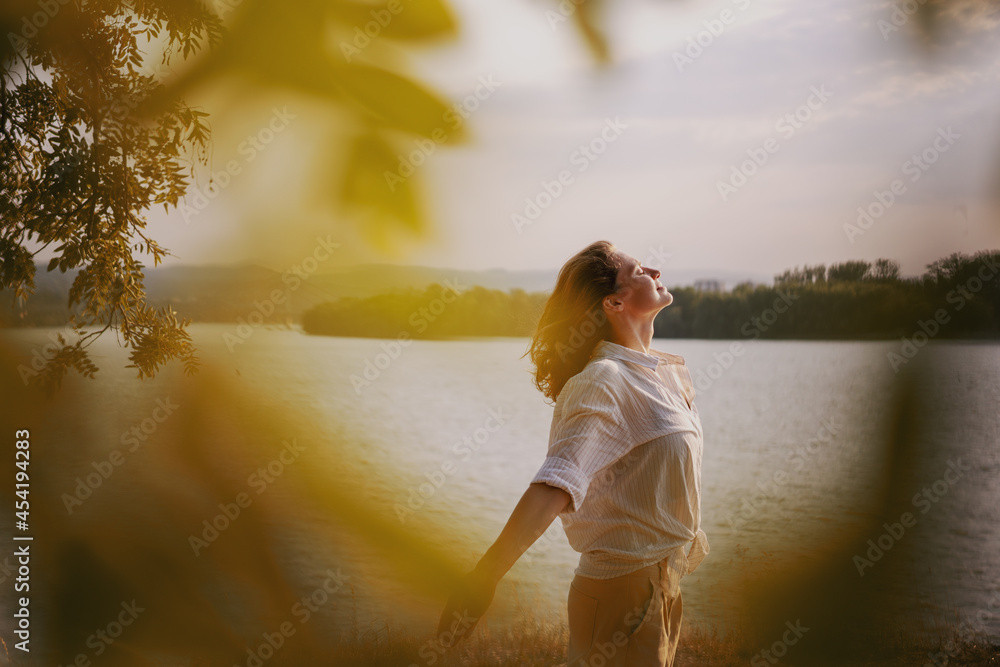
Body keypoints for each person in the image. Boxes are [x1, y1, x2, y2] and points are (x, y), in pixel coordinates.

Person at [436, 240, 709, 666]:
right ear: (614, 301)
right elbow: (557, 482)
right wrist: (484, 577)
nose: (655, 271)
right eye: (638, 269)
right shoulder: (604, 379)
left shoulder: (659, 376)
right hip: (621, 595)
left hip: (662, 587)